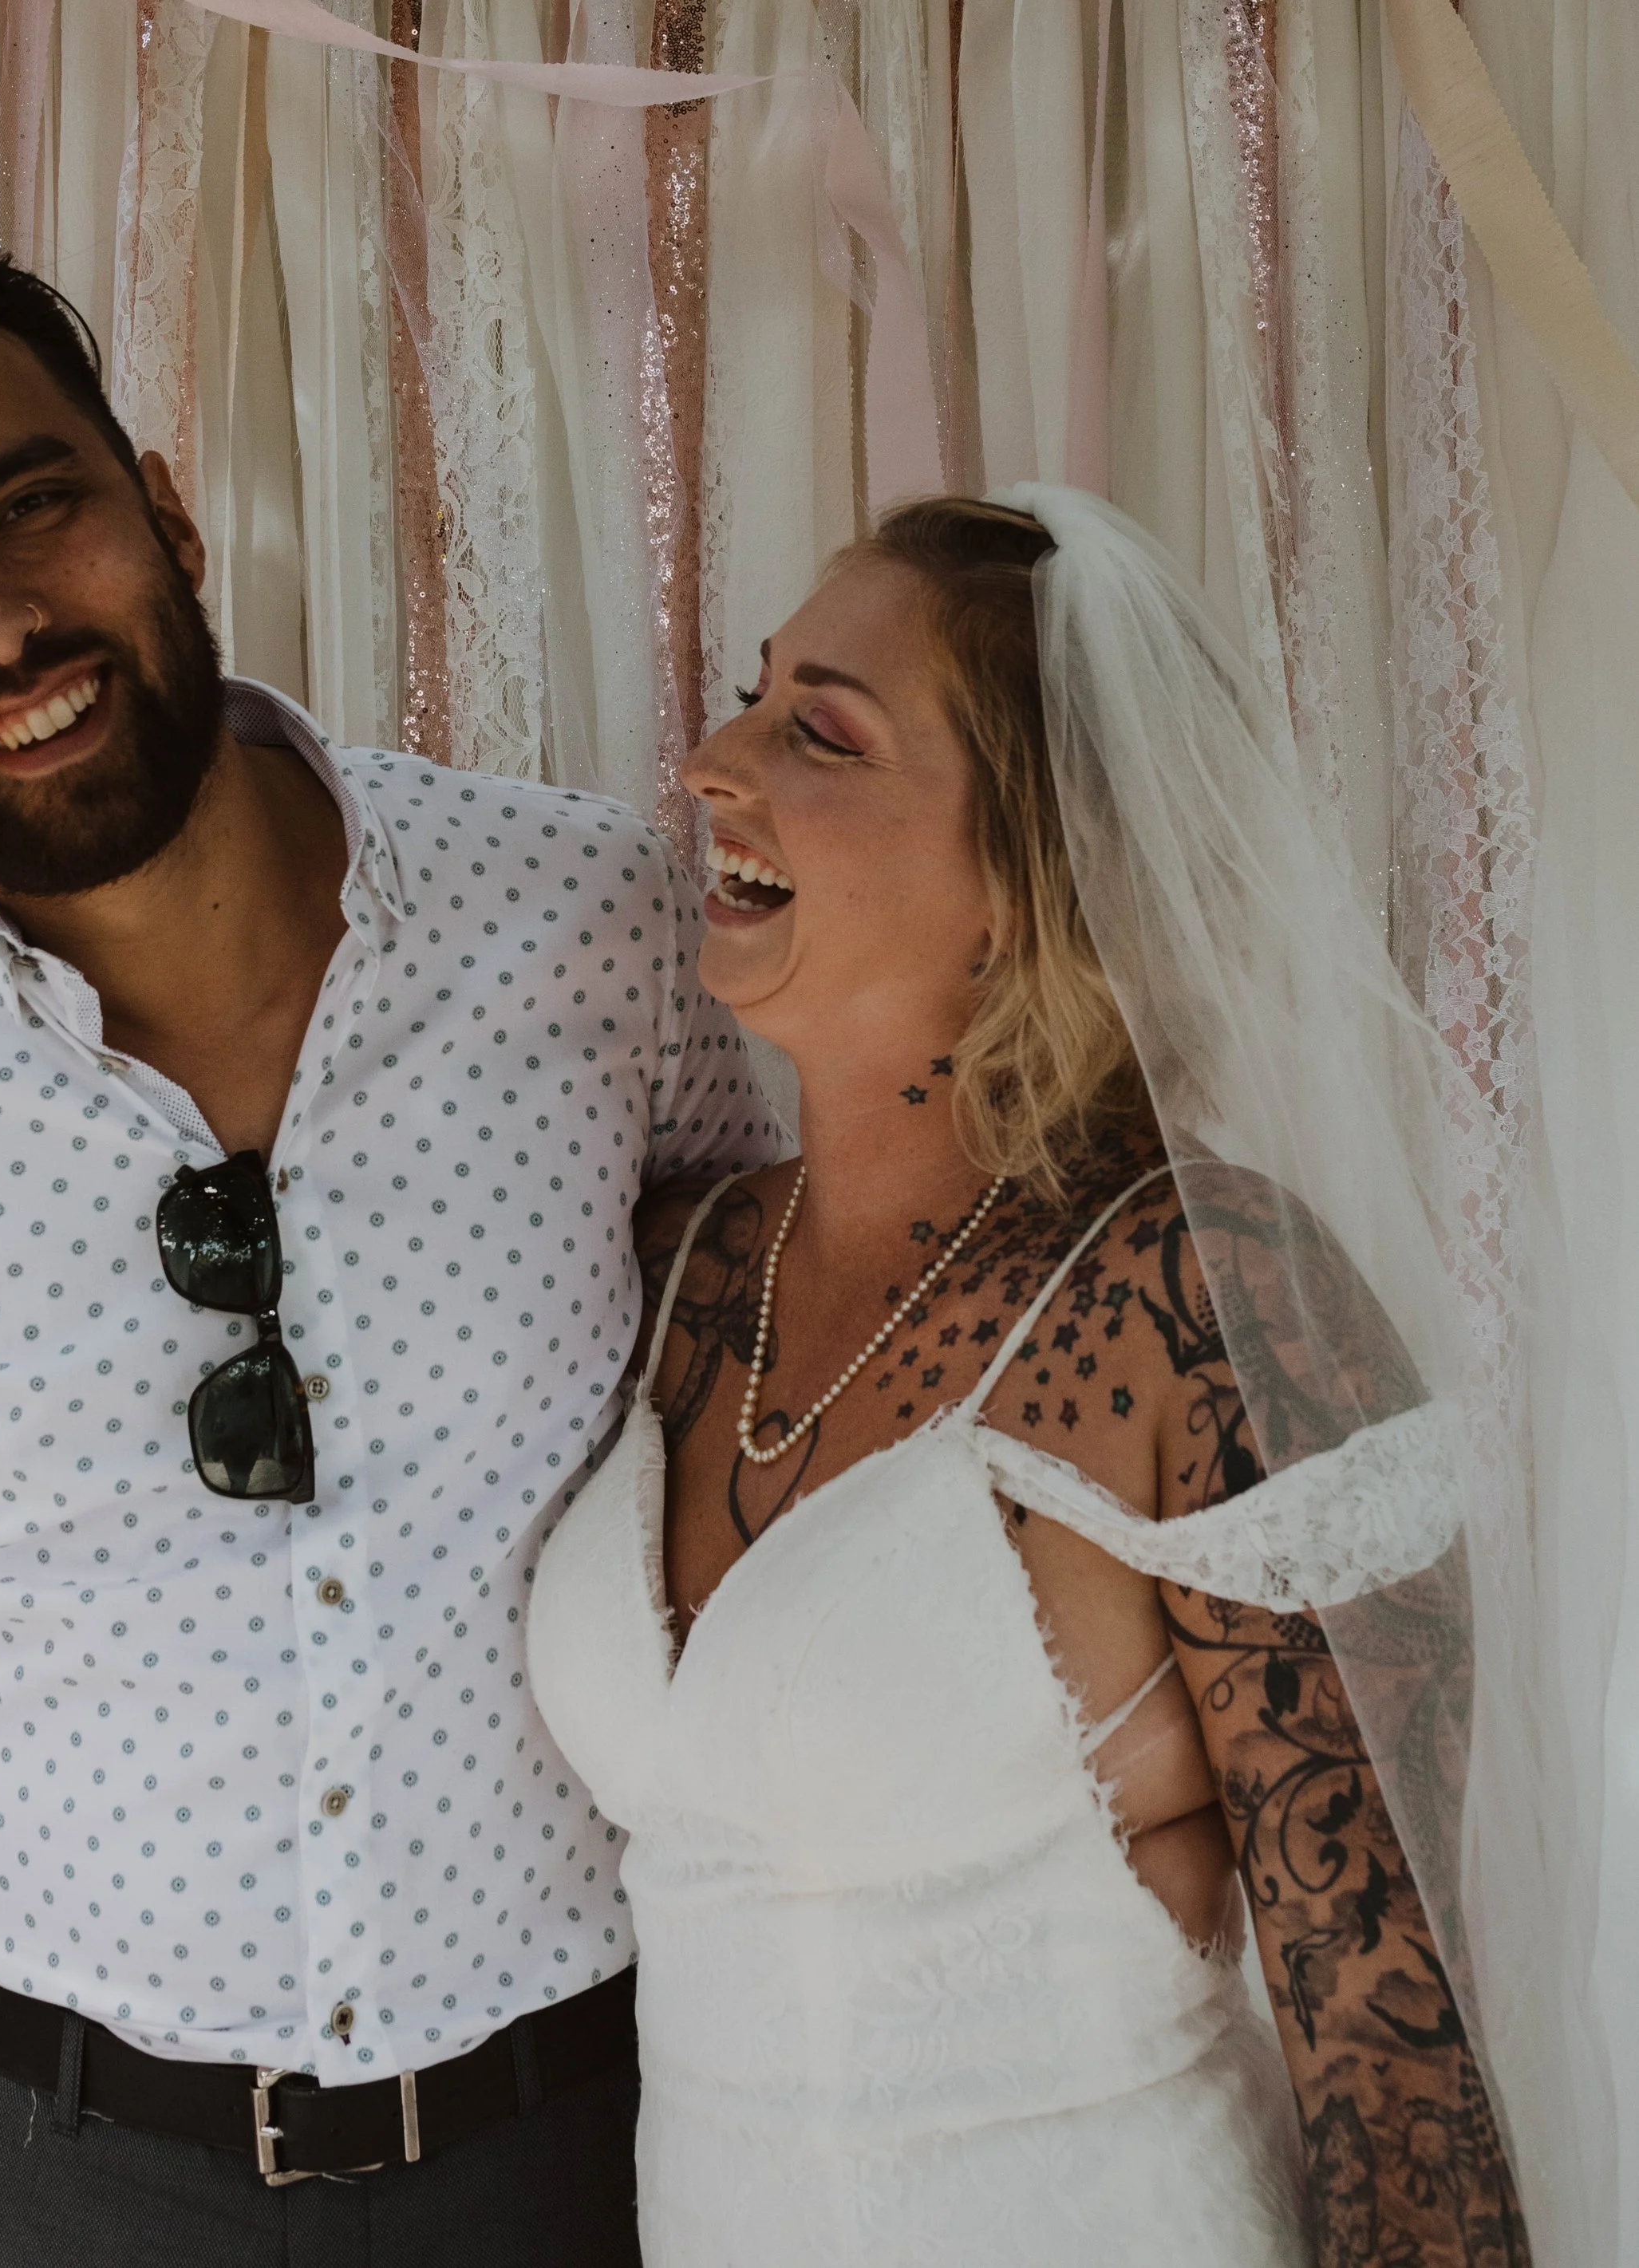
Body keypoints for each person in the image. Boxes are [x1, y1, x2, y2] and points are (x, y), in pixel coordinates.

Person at [0, 227, 774, 2268]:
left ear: (160, 508)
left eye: (32, 505)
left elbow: (774, 1349)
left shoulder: (586, 917)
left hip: (584, 2152)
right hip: (50, 2181)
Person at [527, 492, 1535, 2268]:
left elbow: (1398, 2070)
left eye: (819, 732)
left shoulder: (1205, 1302)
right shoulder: (688, 1263)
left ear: (1027, 883)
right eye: (754, 699)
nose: (707, 763)